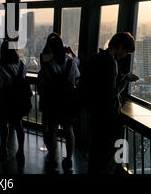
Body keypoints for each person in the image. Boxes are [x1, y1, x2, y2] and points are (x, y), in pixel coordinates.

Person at [80, 32, 139, 174]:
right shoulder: (111, 63)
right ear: (118, 46)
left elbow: (99, 86)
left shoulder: (96, 58)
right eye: (125, 51)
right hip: (108, 117)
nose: (124, 55)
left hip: (95, 113)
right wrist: (125, 80)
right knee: (106, 156)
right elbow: (110, 94)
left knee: (96, 152)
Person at [38, 34, 80, 173]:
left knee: (53, 130)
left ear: (50, 48)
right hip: (68, 102)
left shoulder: (47, 66)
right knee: (69, 131)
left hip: (52, 102)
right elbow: (76, 79)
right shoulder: (71, 63)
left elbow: (43, 85)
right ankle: (68, 158)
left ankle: (53, 157)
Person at [0, 40, 28, 163]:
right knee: (19, 124)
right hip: (18, 98)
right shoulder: (22, 65)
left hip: (5, 98)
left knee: (3, 124)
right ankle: (21, 150)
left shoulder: (2, 68)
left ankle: (3, 148)